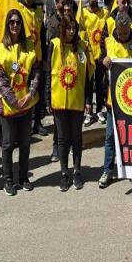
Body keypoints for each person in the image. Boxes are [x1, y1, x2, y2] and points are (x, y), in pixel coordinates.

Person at [0, 9, 40, 196]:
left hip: (27, 103)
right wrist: (14, 101)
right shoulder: (0, 50)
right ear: (7, 25)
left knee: (25, 143)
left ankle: (23, 177)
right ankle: (8, 180)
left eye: (18, 22)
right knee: (8, 144)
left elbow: (35, 73)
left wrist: (30, 94)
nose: (14, 25)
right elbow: (1, 80)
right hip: (8, 106)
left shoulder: (29, 47)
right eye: (11, 22)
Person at [98, 12, 132, 188]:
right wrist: (102, 61)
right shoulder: (108, 42)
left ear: (130, 28)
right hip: (113, 99)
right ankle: (107, 170)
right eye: (120, 32)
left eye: (126, 32)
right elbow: (99, 65)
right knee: (110, 136)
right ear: (116, 29)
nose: (123, 35)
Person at [48, 15, 95, 191]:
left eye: (74, 28)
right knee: (62, 139)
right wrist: (47, 98)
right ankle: (64, 174)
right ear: (62, 28)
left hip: (77, 100)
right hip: (59, 99)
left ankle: (77, 172)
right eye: (68, 28)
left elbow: (88, 76)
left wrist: (89, 100)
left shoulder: (82, 47)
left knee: (76, 137)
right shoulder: (54, 45)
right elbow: (48, 73)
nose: (71, 31)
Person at [20, 0, 48, 137]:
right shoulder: (19, 9)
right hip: (24, 58)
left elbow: (42, 35)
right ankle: (27, 123)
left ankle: (38, 122)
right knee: (25, 89)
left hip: (37, 57)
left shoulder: (39, 11)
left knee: (38, 90)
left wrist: (43, 57)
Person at [80, 0, 109, 126]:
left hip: (101, 55)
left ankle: (99, 110)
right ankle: (88, 112)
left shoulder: (104, 13)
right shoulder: (83, 13)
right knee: (88, 85)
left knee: (100, 83)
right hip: (88, 56)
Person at [45, 0, 66, 161]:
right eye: (61, 3)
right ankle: (56, 148)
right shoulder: (51, 21)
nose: (63, 6)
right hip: (56, 66)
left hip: (69, 67)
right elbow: (49, 43)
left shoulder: (70, 21)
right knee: (58, 117)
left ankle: (68, 146)